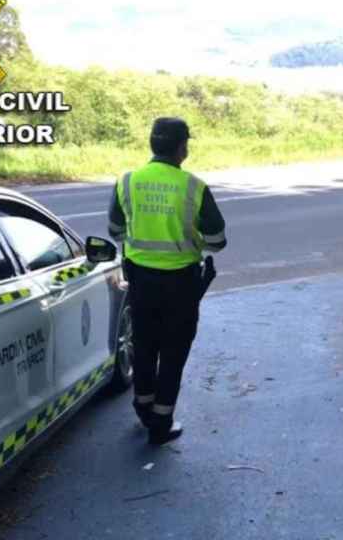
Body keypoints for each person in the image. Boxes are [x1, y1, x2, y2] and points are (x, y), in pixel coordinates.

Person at [108, 117, 227, 445]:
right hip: (181, 285)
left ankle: (143, 408)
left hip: (140, 282)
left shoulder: (127, 181)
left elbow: (115, 230)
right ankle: (161, 422)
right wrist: (189, 240)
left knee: (144, 344)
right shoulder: (193, 187)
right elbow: (217, 240)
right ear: (182, 148)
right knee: (174, 351)